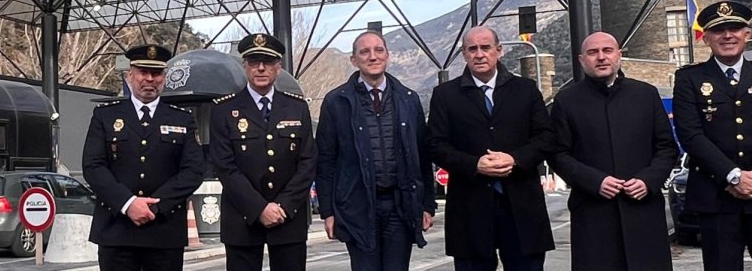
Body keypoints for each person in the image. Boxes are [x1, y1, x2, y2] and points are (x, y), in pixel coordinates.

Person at [672, 1, 752, 271]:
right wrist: (733, 175)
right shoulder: (689, 79)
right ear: (706, 37)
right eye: (718, 30)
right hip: (716, 195)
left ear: (747, 33)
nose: (727, 35)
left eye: (734, 28)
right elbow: (690, 135)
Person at [427, 26, 555, 271]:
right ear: (464, 54)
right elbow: (435, 145)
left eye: (485, 47)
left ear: (499, 50)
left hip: (521, 205)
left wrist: (515, 159)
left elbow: (546, 138)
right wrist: (474, 164)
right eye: (471, 49)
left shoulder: (525, 89)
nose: (479, 54)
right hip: (470, 208)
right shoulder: (445, 95)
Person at [550, 31, 678, 271]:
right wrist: (596, 181)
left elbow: (666, 148)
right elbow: (558, 154)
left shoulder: (645, 94)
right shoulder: (567, 100)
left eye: (607, 51)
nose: (601, 57)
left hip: (642, 211)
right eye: (592, 52)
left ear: (619, 55)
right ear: (581, 59)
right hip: (593, 214)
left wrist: (647, 181)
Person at [315, 30, 437, 271]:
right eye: (364, 52)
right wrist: (327, 212)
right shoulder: (336, 102)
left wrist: (427, 204)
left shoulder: (408, 99)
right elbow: (326, 161)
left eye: (378, 50)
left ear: (387, 56)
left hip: (399, 207)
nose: (372, 57)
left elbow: (421, 157)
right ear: (354, 60)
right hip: (357, 207)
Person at [83, 45, 205, 271]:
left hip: (164, 231)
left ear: (164, 77)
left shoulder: (182, 119)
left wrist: (156, 207)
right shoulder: (105, 115)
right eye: (143, 72)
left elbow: (194, 170)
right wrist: (128, 204)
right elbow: (93, 166)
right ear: (130, 75)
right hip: (116, 229)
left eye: (156, 73)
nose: (149, 79)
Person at [211, 33, 316, 271]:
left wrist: (284, 206)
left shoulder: (297, 107)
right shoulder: (224, 109)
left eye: (267, 62)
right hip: (242, 219)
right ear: (244, 66)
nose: (260, 68)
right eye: (254, 61)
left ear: (278, 67)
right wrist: (259, 209)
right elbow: (224, 166)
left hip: (288, 216)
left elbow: (308, 161)